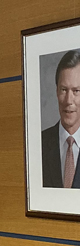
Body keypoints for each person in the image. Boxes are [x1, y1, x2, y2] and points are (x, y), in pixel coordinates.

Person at [42, 49, 80, 188]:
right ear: (57, 92)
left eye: (76, 91)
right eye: (64, 90)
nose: (68, 100)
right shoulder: (39, 144)